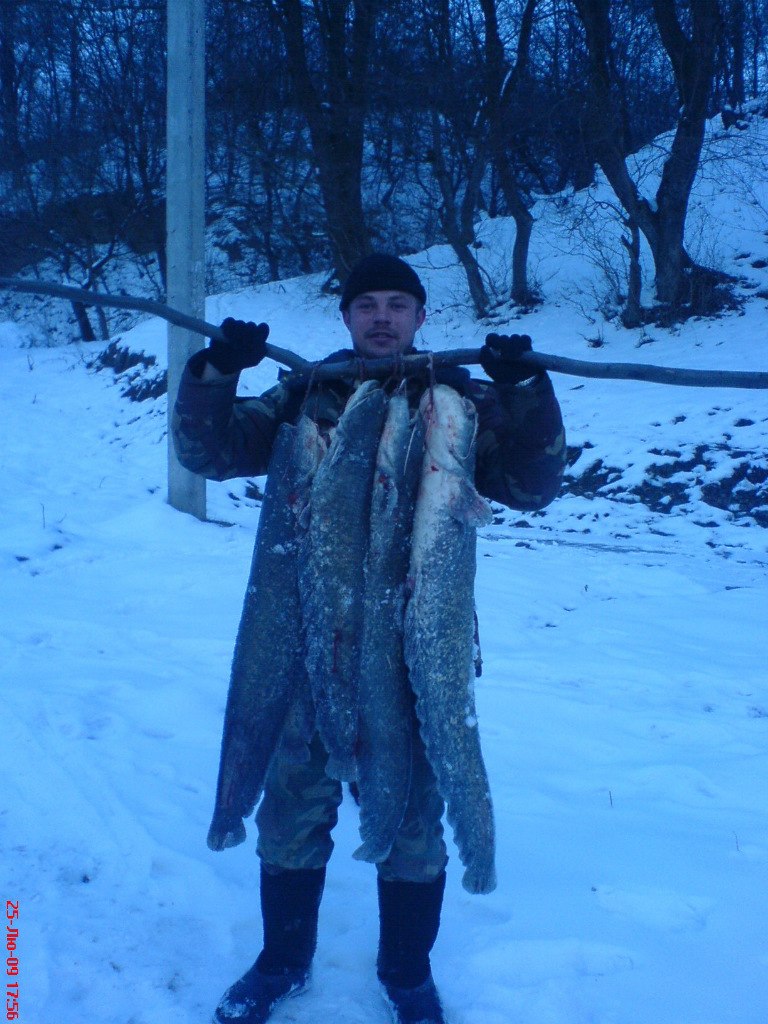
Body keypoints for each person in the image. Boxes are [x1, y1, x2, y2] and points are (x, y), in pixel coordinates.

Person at [172, 254, 566, 1024]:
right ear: (347, 317)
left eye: (397, 304)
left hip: (412, 654)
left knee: (413, 825)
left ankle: (407, 976)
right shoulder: (304, 393)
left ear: (420, 316)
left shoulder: (459, 398)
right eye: (367, 305)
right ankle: (282, 962)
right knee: (291, 816)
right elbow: (207, 453)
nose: (382, 317)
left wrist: (525, 389)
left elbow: (531, 487)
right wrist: (217, 370)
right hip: (304, 644)